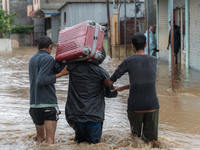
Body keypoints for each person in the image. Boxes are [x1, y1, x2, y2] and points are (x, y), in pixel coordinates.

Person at [104, 33, 159, 148]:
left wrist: (101, 83)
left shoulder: (128, 61)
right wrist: (122, 88)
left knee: (134, 137)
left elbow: (111, 81)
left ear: (132, 46)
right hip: (152, 105)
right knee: (150, 140)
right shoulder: (154, 60)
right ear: (146, 44)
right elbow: (144, 82)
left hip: (136, 105)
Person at [54, 47, 117, 144]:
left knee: (79, 143)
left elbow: (56, 66)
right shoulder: (101, 72)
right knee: (93, 145)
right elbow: (112, 93)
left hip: (75, 116)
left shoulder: (73, 67)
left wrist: (72, 56)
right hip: (94, 117)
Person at [28, 36, 69, 144]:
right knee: (50, 140)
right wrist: (61, 74)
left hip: (34, 105)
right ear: (50, 46)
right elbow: (41, 80)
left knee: (40, 139)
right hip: (48, 105)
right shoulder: (48, 58)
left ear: (38, 47)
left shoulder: (32, 59)